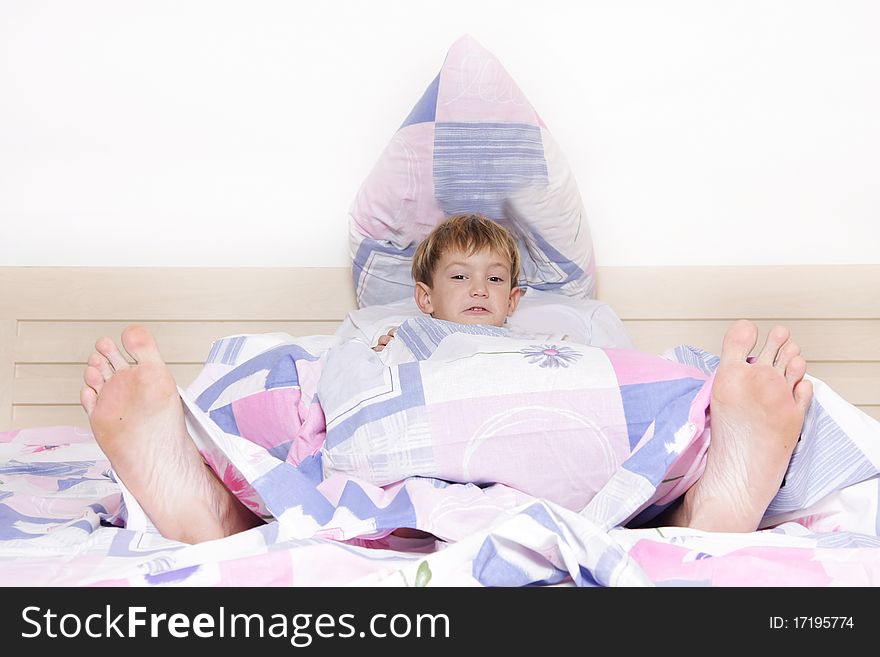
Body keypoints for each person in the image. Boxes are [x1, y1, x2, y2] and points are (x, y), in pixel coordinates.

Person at [80, 214, 813, 544]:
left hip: (545, 452)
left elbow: (601, 382)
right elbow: (345, 387)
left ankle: (713, 502)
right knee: (319, 444)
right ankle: (207, 504)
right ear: (425, 296)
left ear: (516, 301)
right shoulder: (389, 333)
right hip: (415, 462)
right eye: (460, 275)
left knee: (658, 408)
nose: (479, 288)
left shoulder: (555, 341)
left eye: (497, 278)